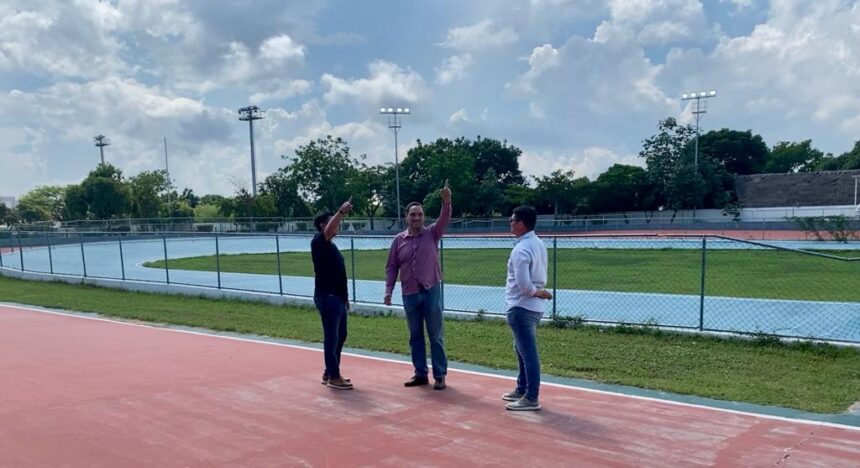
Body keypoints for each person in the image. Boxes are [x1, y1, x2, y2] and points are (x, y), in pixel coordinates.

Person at [384, 180, 452, 390]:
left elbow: (444, 219)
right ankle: (420, 373)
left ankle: (439, 375)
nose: (417, 218)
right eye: (413, 214)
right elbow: (392, 266)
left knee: (435, 336)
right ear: (406, 217)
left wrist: (446, 202)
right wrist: (388, 291)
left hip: (431, 291)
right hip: (410, 294)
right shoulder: (398, 240)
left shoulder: (432, 233)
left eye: (420, 214)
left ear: (424, 217)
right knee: (415, 336)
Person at [502, 205, 553, 411]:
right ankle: (522, 387)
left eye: (512, 220)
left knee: (528, 352)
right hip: (532, 308)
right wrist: (540, 293)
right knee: (521, 349)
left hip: (522, 307)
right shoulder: (537, 243)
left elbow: (525, 287)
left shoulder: (521, 249)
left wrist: (541, 292)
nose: (510, 223)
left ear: (521, 224)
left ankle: (531, 397)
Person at [311, 197, 354, 390]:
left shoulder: (330, 245)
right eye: (334, 220)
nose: (338, 224)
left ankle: (330, 371)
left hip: (337, 298)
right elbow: (329, 231)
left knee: (341, 335)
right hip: (328, 298)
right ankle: (334, 375)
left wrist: (345, 299)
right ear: (322, 225)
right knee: (332, 337)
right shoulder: (319, 241)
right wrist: (341, 212)